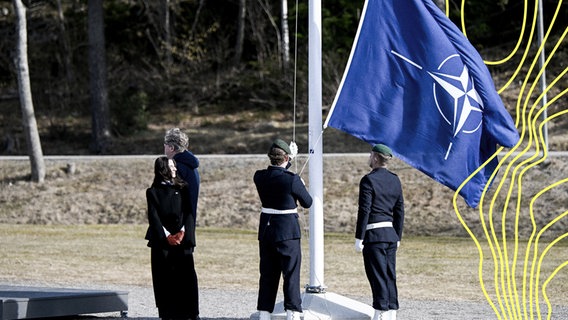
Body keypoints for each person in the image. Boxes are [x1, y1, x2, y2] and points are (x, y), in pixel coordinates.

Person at [254, 139, 312, 320]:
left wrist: (289, 162)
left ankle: (264, 312)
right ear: (286, 157)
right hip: (287, 232)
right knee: (291, 273)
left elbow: (278, 174)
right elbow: (307, 202)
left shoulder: (259, 176)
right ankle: (292, 311)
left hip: (267, 230)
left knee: (268, 273)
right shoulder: (293, 180)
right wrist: (299, 182)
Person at [145, 156, 199, 320]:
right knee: (164, 277)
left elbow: (188, 212)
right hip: (162, 241)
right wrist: (167, 236)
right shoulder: (152, 192)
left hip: (183, 240)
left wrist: (182, 232)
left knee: (187, 276)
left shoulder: (183, 188)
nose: (175, 169)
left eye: (174, 166)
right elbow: (153, 217)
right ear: (162, 170)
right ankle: (168, 313)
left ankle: (191, 312)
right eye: (171, 166)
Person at [355, 144, 404, 320]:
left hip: (374, 236)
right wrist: (398, 235)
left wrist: (359, 236)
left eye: (370, 155)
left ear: (375, 158)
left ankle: (380, 311)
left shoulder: (368, 180)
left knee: (377, 275)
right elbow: (399, 210)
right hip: (390, 235)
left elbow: (364, 210)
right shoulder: (395, 179)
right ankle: (392, 310)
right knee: (390, 274)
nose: (369, 158)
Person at [164, 128, 200, 225]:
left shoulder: (176, 167)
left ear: (171, 148)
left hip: (177, 224)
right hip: (188, 222)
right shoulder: (191, 166)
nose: (164, 146)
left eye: (165, 144)